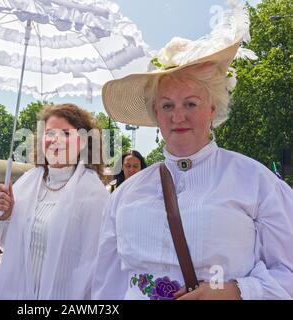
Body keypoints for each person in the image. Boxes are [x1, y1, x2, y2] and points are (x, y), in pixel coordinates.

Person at [93, 7, 293, 300]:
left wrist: (236, 291)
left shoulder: (257, 182)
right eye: (167, 106)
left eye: (190, 104)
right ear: (156, 116)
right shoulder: (126, 194)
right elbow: (106, 282)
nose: (178, 117)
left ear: (212, 109)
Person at [0, 103, 109, 299]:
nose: (56, 139)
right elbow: (6, 245)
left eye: (65, 133)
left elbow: (95, 265)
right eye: (49, 133)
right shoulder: (27, 183)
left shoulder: (94, 194)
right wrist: (6, 218)